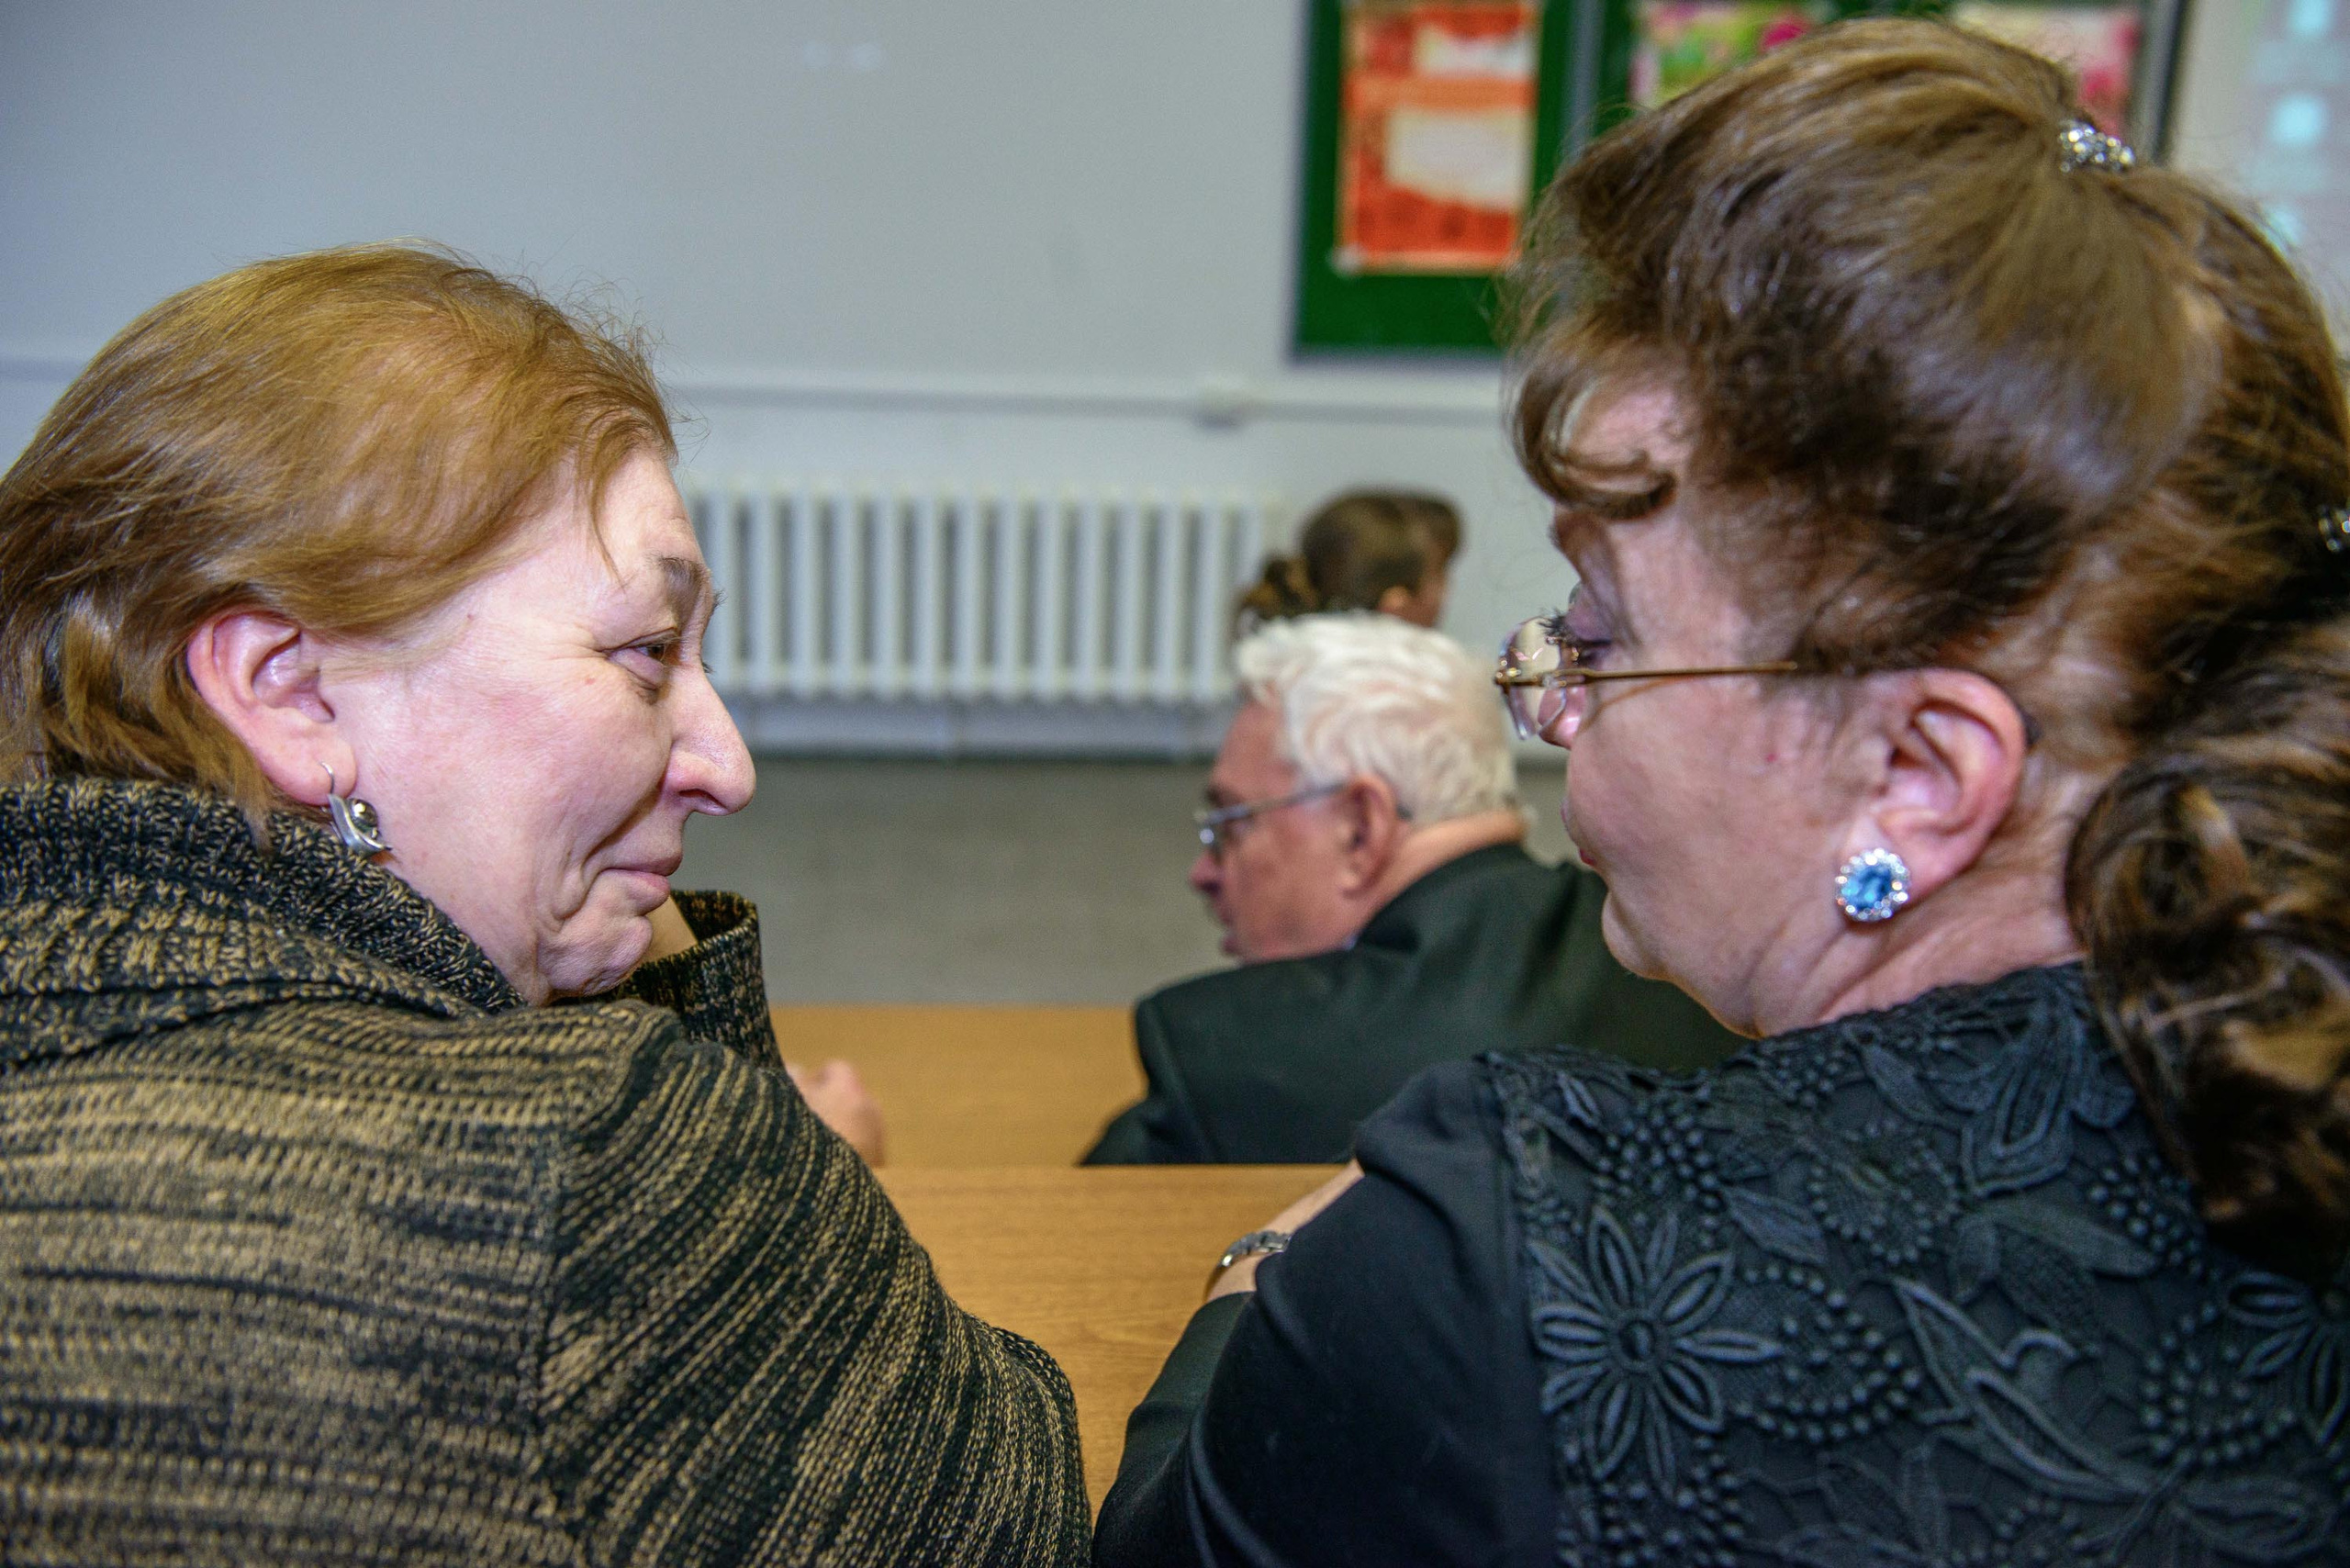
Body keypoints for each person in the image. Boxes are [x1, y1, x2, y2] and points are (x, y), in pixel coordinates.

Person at [1095, 21, 2350, 1565]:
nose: (1551, 700)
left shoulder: (1493, 1271)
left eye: (1604, 636)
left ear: (1916, 775)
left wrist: (1250, 1288)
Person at [0, 244, 1086, 1565]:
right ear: (286, 687)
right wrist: (735, 1200)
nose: (727, 765)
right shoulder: (576, 1172)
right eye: (645, 653)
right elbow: (1007, 1515)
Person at [1083, 614, 1735, 1164]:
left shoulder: (1234, 1058)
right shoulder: (1700, 972)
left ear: (1360, 830)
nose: (1204, 873)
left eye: (1232, 825)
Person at [1235, 488, 1460, 629]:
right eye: (1440, 572)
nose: (1448, 587)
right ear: (1396, 605)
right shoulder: (1419, 697)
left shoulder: (1273, 678)